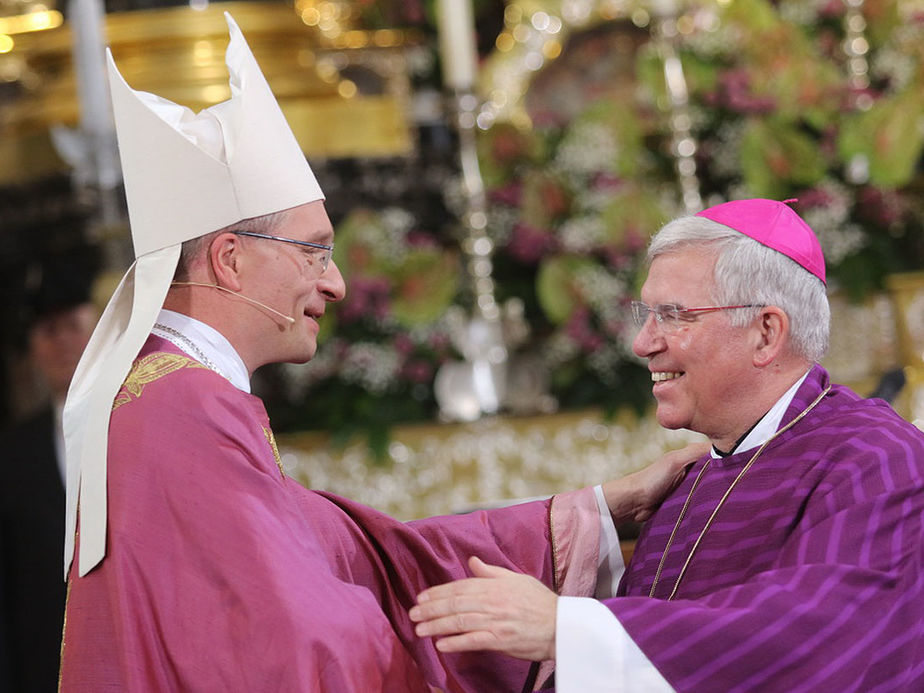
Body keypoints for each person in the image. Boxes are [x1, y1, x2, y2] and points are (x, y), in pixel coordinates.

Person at [59, 14, 704, 691]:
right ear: (229, 259)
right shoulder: (185, 406)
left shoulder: (166, 390)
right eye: (313, 251)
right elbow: (303, 644)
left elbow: (366, 555)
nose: (334, 283)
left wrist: (595, 507)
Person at [410, 198, 924, 691]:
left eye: (674, 315)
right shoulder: (694, 478)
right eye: (647, 314)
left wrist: (565, 628)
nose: (643, 343)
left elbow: (812, 638)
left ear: (766, 333)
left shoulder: (876, 458)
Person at [0, 258, 98, 692]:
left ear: (98, 331)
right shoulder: (12, 456)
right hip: (46, 670)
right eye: (46, 331)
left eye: (73, 325)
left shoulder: (140, 425)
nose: (61, 344)